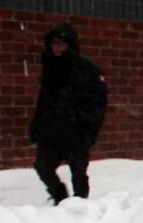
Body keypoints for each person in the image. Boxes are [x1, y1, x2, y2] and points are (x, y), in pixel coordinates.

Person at [28, 22, 107, 204]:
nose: (56, 48)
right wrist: (36, 125)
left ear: (70, 44)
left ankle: (81, 208)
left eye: (61, 44)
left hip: (77, 133)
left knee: (78, 174)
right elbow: (44, 100)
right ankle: (60, 197)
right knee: (42, 166)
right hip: (51, 132)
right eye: (53, 44)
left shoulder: (88, 71)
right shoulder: (50, 68)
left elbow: (98, 104)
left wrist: (87, 127)